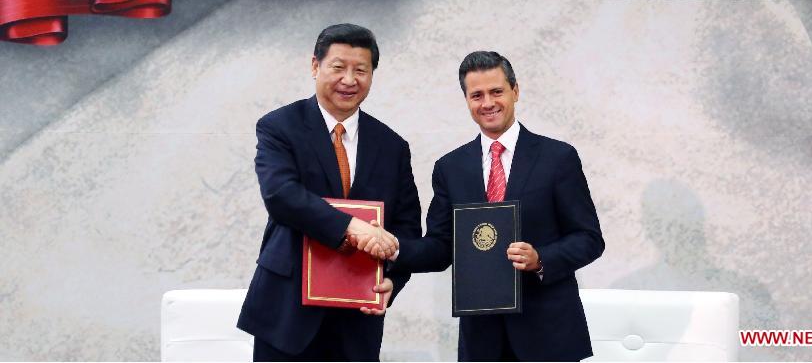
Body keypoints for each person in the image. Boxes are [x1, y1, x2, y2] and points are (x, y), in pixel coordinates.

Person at [392, 51, 604, 361]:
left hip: (548, 334)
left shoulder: (558, 158)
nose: (488, 103)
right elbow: (440, 247)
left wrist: (541, 258)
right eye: (477, 95)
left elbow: (589, 238)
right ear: (466, 100)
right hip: (482, 338)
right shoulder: (450, 168)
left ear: (515, 91)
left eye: (496, 91)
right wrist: (395, 248)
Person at [237, 24, 422, 361]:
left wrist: (393, 282)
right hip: (287, 313)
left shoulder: (392, 146)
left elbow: (407, 229)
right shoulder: (280, 126)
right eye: (338, 67)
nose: (349, 80)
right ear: (315, 66)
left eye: (361, 70)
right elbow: (281, 195)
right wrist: (352, 227)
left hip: (357, 318)